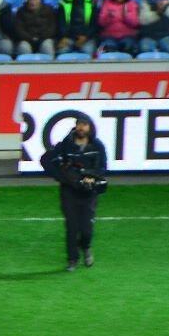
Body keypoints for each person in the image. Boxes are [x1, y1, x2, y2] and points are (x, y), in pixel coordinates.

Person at [39, 115, 109, 271]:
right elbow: (47, 160)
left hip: (89, 193)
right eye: (79, 124)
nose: (81, 128)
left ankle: (86, 246)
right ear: (76, 126)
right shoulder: (66, 145)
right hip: (69, 192)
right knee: (71, 227)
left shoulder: (97, 146)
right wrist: (62, 178)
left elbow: (102, 167)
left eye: (84, 125)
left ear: (89, 128)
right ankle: (72, 259)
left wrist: (92, 178)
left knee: (86, 229)